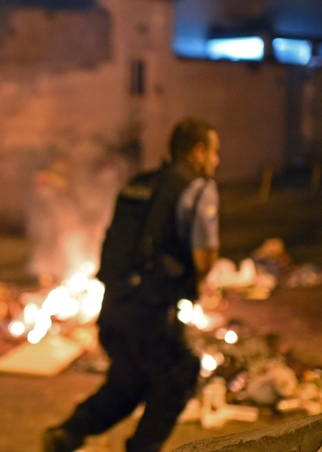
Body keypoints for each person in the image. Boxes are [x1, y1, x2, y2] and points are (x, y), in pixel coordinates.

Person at [43, 117, 221, 452]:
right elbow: (203, 259)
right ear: (197, 152)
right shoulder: (197, 188)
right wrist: (190, 282)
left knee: (129, 383)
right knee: (179, 376)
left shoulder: (139, 184)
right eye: (214, 153)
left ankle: (66, 434)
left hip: (113, 308)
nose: (216, 161)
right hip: (150, 312)